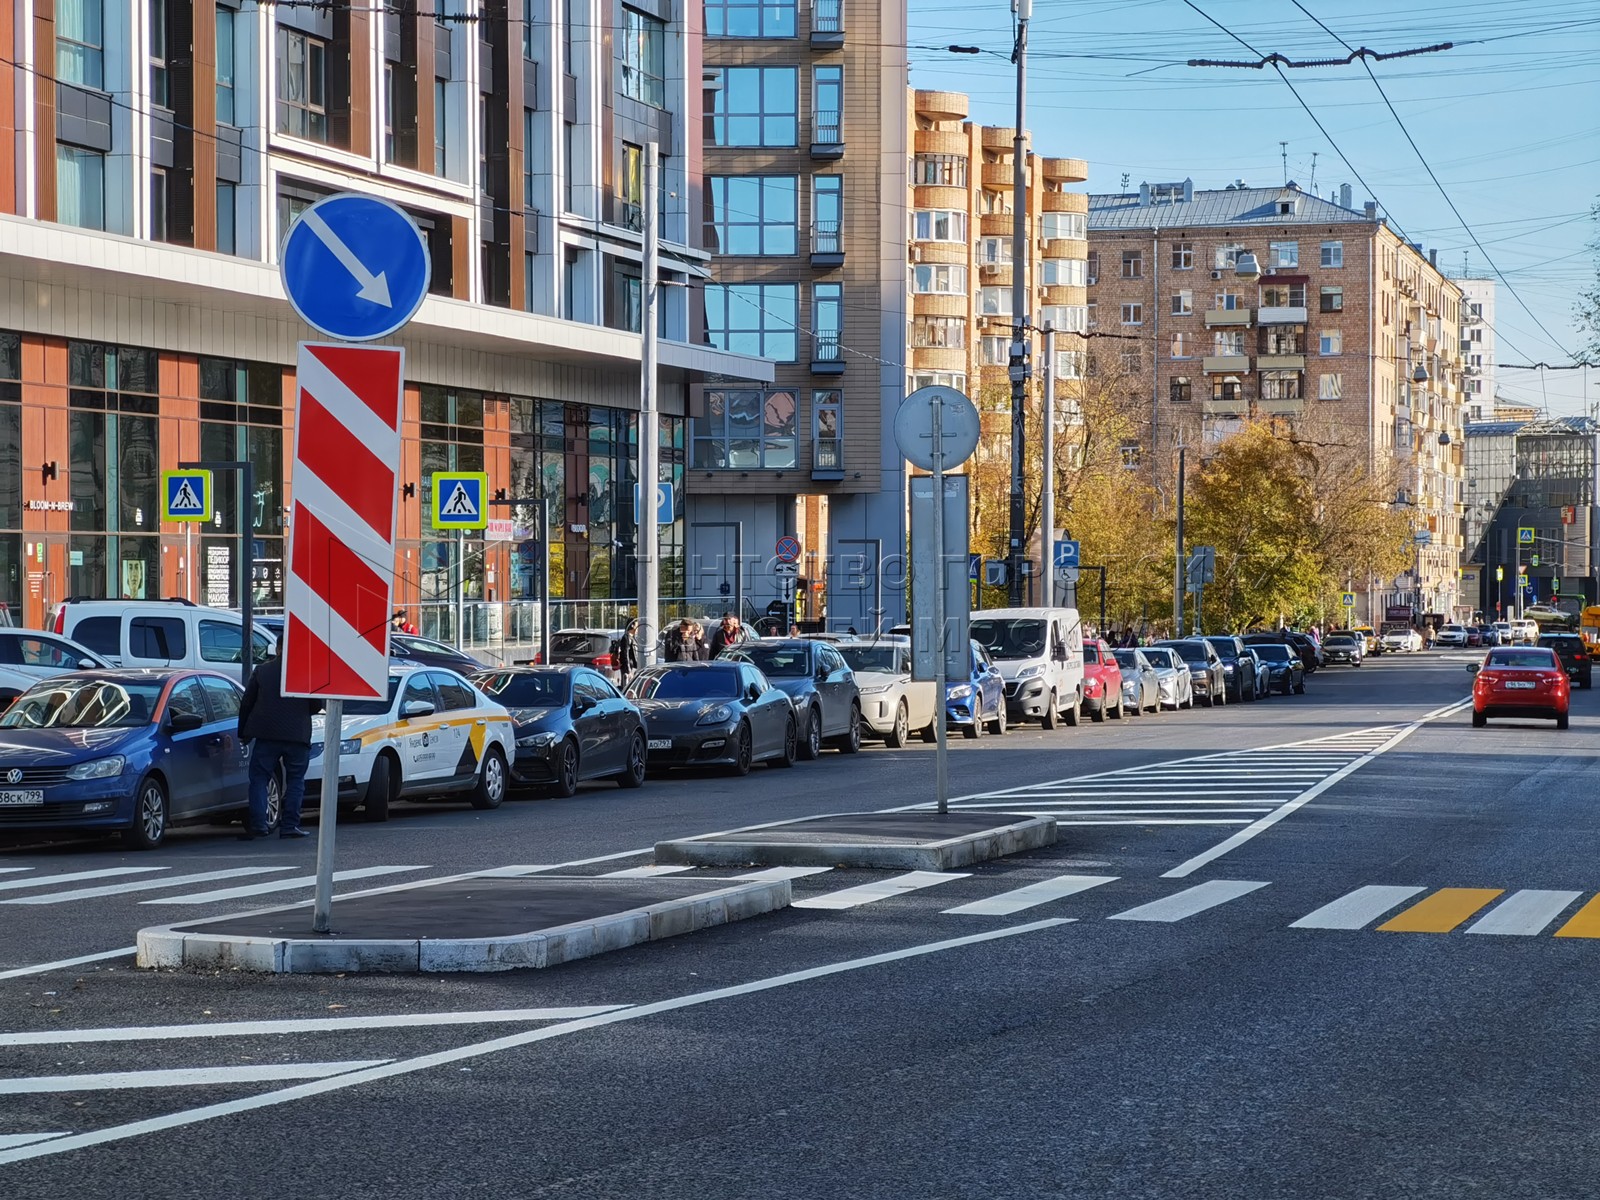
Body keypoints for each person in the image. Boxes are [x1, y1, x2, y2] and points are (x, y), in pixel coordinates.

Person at [237, 653, 321, 840]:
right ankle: (290, 826)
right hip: (297, 735)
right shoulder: (306, 671)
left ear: (276, 649)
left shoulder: (262, 670)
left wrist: (243, 732)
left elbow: (247, 702)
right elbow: (316, 705)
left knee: (259, 778)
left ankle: (259, 825)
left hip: (267, 734)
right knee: (296, 781)